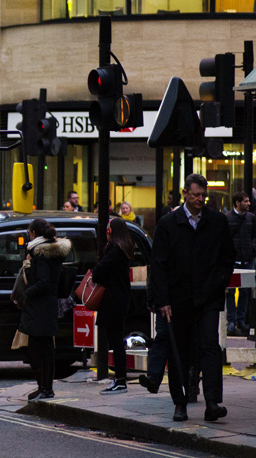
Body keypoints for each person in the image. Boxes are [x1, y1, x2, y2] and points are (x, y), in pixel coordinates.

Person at [149, 173, 237, 423]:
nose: (200, 199)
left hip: (208, 297)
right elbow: (159, 264)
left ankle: (212, 403)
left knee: (210, 347)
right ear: (185, 193)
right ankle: (180, 403)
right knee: (180, 351)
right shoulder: (168, 224)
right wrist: (163, 300)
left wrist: (219, 281)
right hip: (178, 300)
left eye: (203, 195)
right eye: (196, 194)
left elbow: (227, 256)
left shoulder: (217, 222)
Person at [19, 217, 69, 401]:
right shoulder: (50, 251)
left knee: (40, 350)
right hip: (46, 307)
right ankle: (44, 388)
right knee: (43, 349)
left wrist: (27, 293)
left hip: (40, 308)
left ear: (33, 233)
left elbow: (43, 282)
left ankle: (46, 389)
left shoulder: (41, 254)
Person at [93, 217, 135, 394]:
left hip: (113, 301)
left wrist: (97, 270)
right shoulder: (121, 249)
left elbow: (99, 272)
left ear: (111, 231)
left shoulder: (115, 250)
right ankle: (119, 379)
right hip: (117, 300)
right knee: (115, 340)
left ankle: (120, 380)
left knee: (116, 341)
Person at [225, 190, 255, 337]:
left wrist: (252, 249)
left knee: (245, 291)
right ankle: (232, 320)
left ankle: (240, 319)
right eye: (245, 201)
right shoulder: (228, 219)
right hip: (234, 260)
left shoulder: (251, 218)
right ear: (237, 203)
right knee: (231, 291)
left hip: (247, 259)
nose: (249, 203)